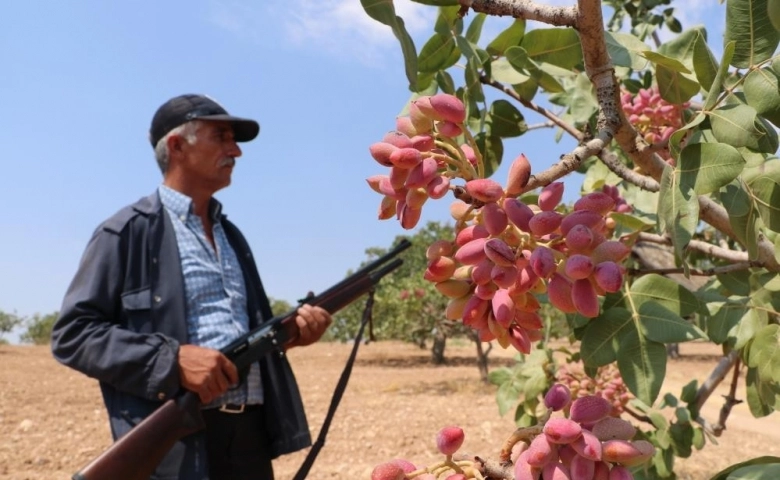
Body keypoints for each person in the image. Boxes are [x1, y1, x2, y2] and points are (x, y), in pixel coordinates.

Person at [51, 93, 332, 480]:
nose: (236, 150)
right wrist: (171, 361)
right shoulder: (126, 232)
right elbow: (74, 335)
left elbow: (244, 333)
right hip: (179, 445)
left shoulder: (232, 236)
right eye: (221, 136)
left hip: (249, 438)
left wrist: (290, 336)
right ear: (177, 146)